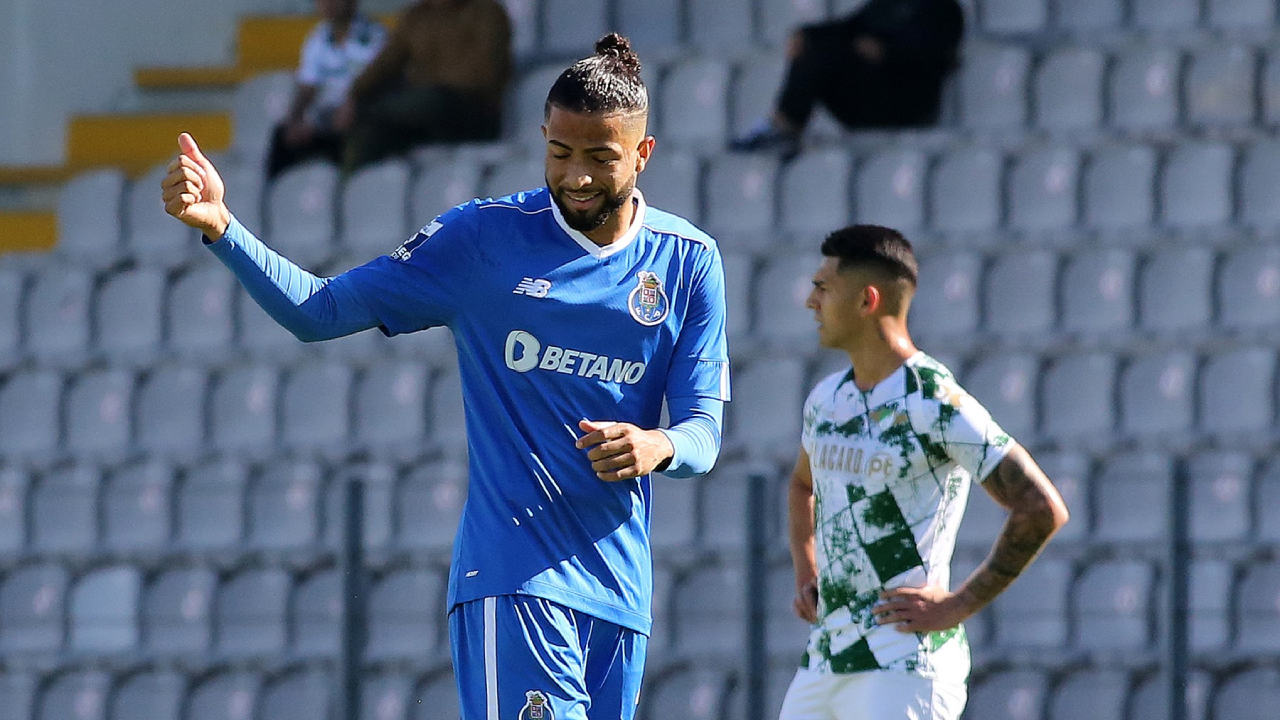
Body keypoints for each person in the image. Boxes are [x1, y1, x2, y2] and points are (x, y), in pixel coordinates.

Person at [161, 34, 729, 720]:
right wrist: (223, 227)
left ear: (643, 153)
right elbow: (320, 310)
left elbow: (703, 431)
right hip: (514, 579)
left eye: (600, 159)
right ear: (542, 139)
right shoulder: (482, 239)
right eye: (559, 153)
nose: (577, 177)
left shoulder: (688, 261)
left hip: (620, 596)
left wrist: (657, 444)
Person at [780, 225, 1069, 720]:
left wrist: (957, 605)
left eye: (823, 287)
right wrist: (807, 568)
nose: (811, 301)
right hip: (824, 661)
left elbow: (1041, 507)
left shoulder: (933, 400)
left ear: (867, 300)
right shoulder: (827, 399)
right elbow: (802, 484)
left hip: (906, 666)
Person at [731, 0, 965, 158]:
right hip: (869, 100)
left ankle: (785, 128)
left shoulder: (944, 9)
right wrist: (806, 34)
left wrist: (887, 52)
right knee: (815, 47)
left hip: (906, 104)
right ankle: (782, 126)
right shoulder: (886, 4)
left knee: (824, 53)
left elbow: (936, 58)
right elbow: (848, 28)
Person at [340, 0, 512, 173]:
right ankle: (353, 184)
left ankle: (370, 114)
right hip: (424, 114)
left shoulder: (487, 12)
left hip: (472, 113)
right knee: (370, 131)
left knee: (429, 100)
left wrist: (427, 83)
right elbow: (385, 63)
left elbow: (484, 74)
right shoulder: (416, 17)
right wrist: (354, 95)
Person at [266, 0, 387, 179]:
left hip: (359, 115)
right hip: (325, 118)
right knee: (282, 136)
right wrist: (295, 119)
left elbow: (379, 84)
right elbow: (307, 87)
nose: (327, 4)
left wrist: (352, 106)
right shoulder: (317, 38)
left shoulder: (376, 36)